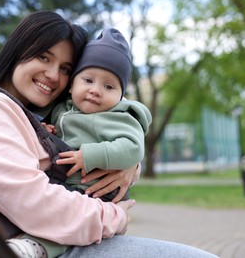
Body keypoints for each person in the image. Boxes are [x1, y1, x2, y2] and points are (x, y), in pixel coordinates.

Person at [0, 10, 218, 258]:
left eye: (65, 69)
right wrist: (113, 216)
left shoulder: (22, 115)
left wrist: (128, 163)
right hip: (29, 245)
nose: (53, 75)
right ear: (17, 51)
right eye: (44, 57)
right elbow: (34, 203)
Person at [8, 27, 152, 258]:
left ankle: (35, 248)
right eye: (88, 80)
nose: (96, 91)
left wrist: (91, 155)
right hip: (66, 183)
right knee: (61, 214)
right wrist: (45, 131)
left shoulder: (119, 117)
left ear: (120, 95)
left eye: (109, 86)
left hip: (94, 190)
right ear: (72, 84)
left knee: (68, 223)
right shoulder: (62, 109)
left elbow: (133, 147)